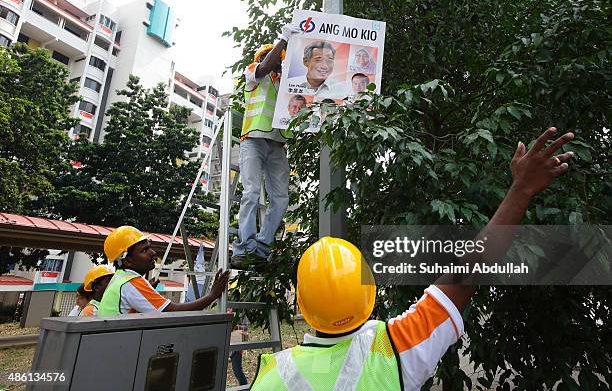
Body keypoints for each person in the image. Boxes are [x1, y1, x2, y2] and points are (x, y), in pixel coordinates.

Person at [250, 127, 575, 390]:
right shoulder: (395, 349)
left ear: (305, 307)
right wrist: (521, 189)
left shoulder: (274, 375)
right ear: (368, 289)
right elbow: (466, 275)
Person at [232, 23, 302, 268]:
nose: (275, 61)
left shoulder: (286, 85)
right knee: (251, 193)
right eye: (270, 56)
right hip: (252, 140)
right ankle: (244, 247)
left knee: (281, 199)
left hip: (277, 145)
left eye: (279, 58)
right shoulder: (254, 73)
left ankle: (261, 248)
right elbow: (264, 68)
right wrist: (282, 40)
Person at [99, 226, 230, 316]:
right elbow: (172, 311)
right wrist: (212, 295)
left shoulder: (120, 278)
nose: (153, 253)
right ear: (127, 261)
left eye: (149, 248)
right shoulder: (132, 282)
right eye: (144, 250)